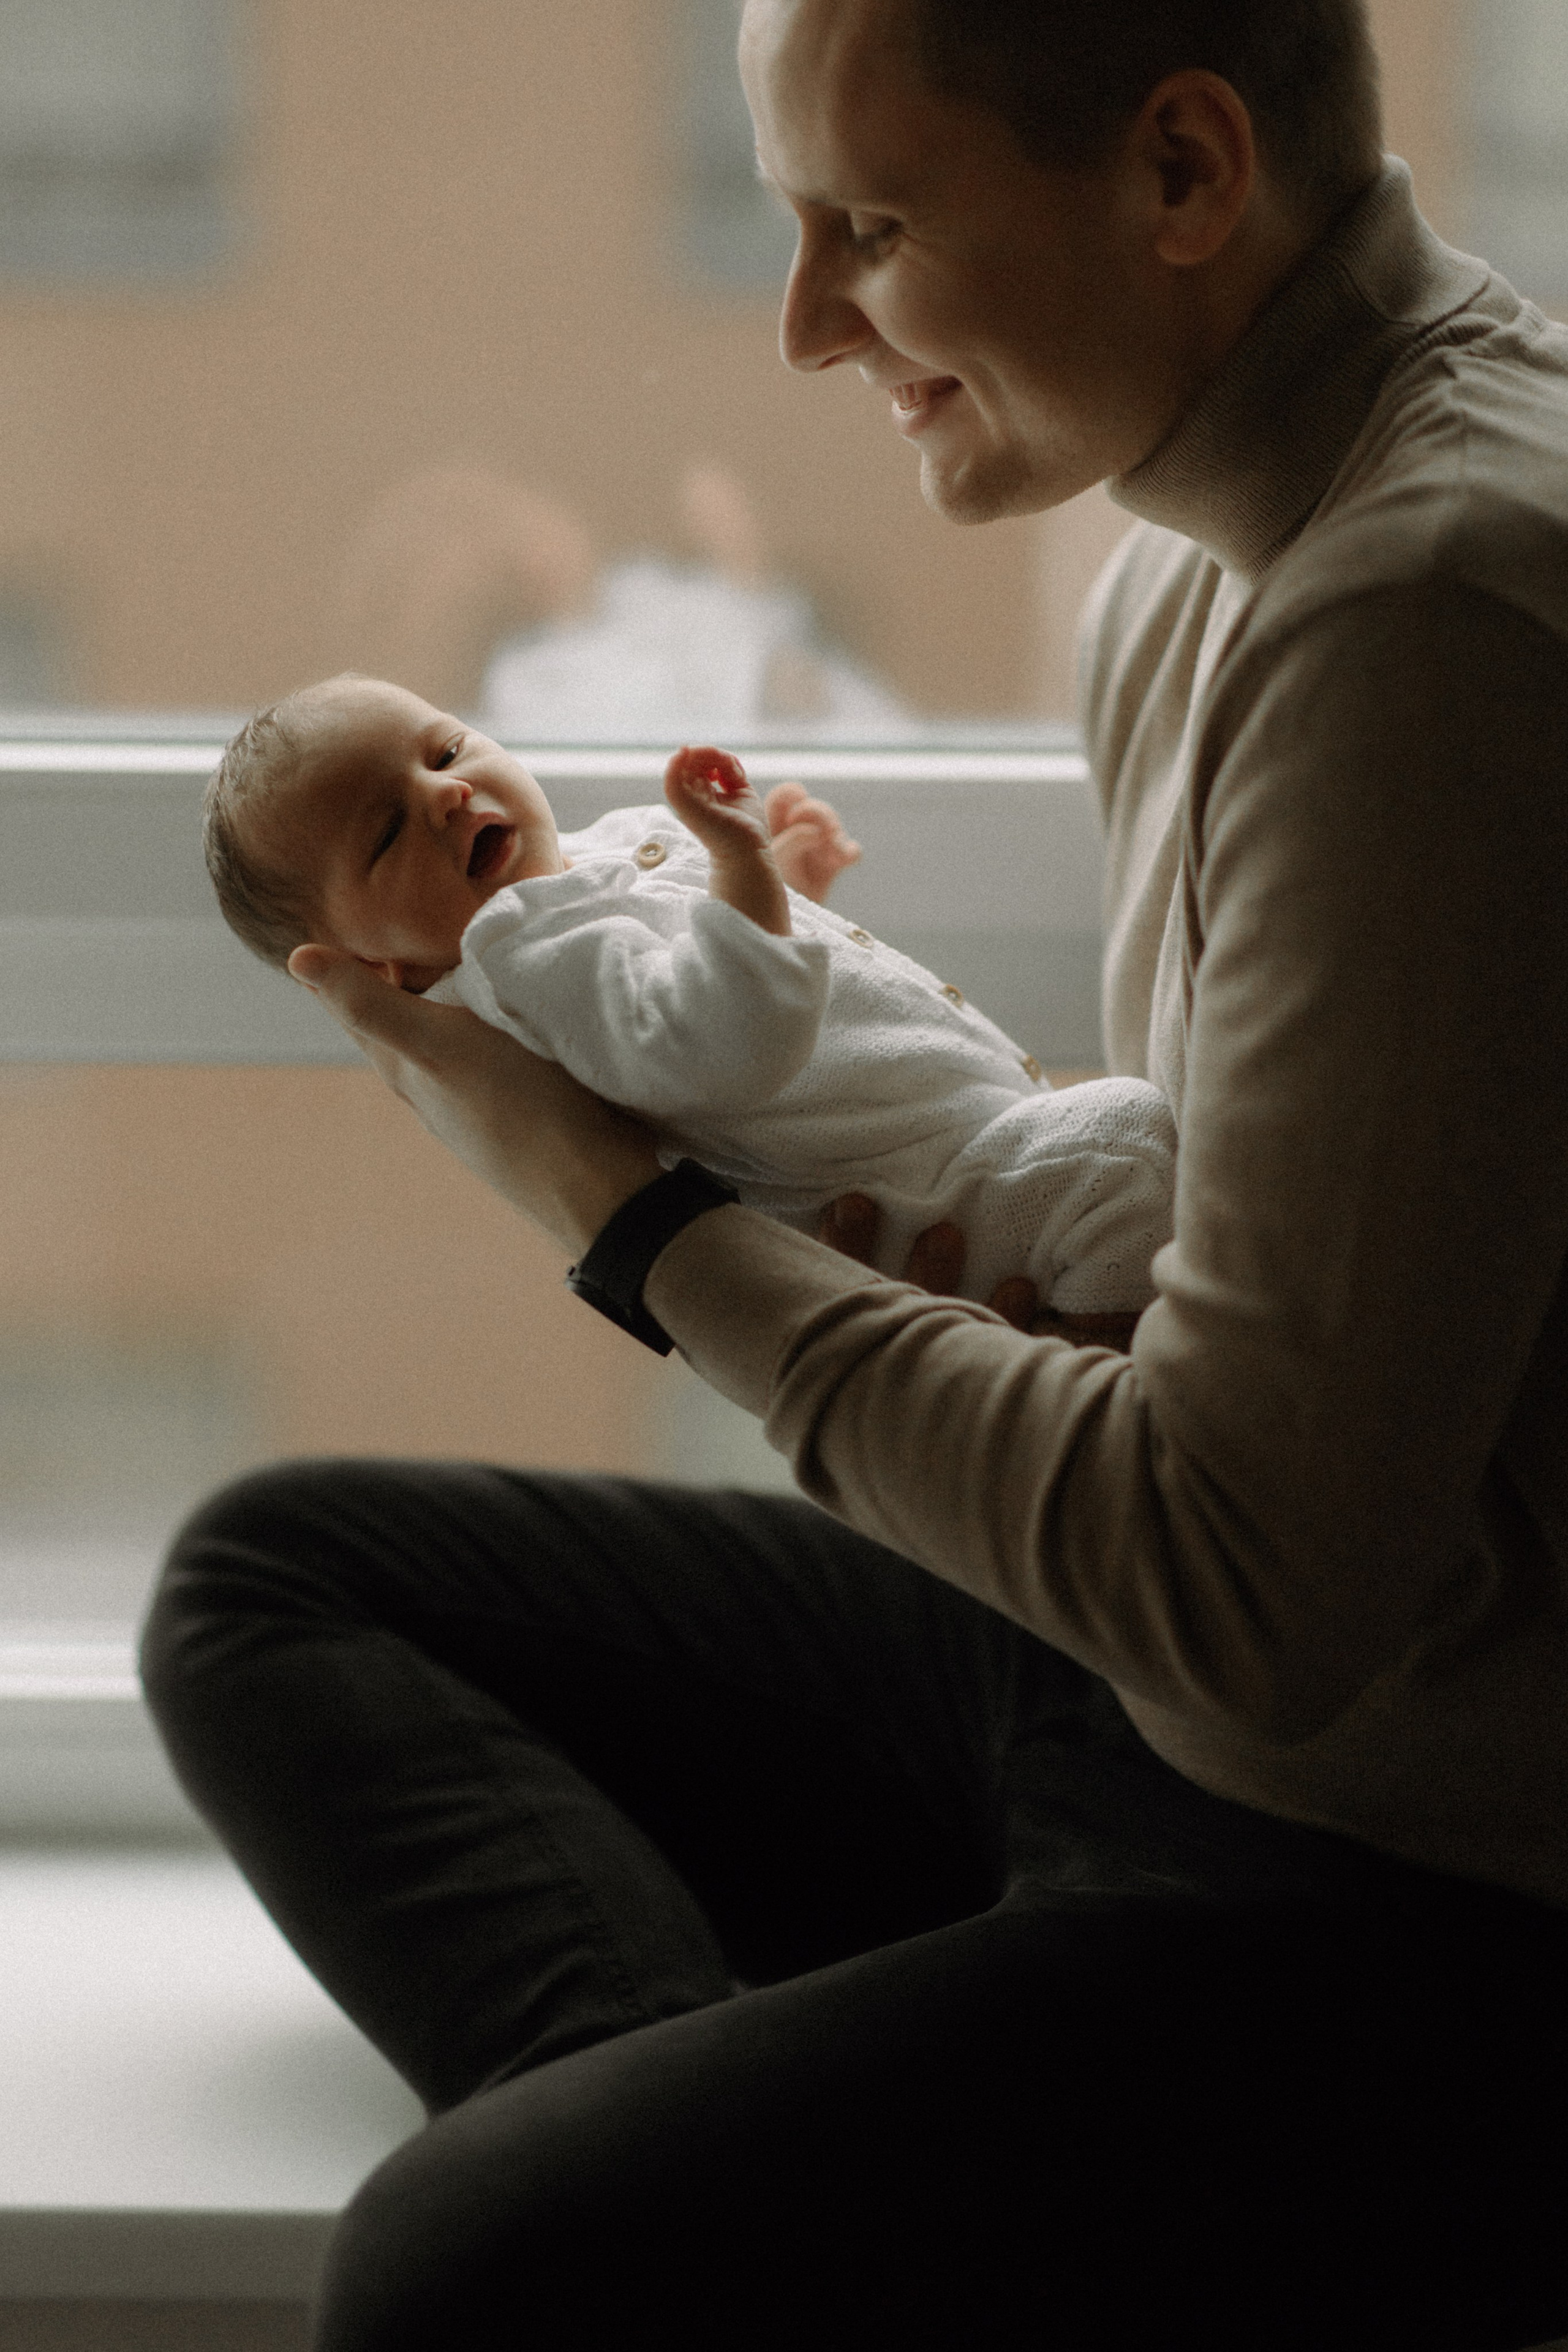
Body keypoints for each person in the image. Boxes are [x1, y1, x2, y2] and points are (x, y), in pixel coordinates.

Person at [141, 0, 1568, 2346]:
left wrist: (632, 1215)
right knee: (266, 1582)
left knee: (456, 2276)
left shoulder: (1422, 626)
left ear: (1189, 174)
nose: (807, 320)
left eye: (871, 229)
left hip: (1406, 1877)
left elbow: (1256, 1590)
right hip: (1148, 1691)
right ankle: (713, 2206)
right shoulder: (1198, 565)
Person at [203, 673, 1175, 1314]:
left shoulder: (576, 871)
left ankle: (1107, 1363)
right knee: (1126, 1146)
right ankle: (1123, 1379)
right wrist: (743, 863)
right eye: (386, 834)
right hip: (926, 1197)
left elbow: (693, 967)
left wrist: (779, 889)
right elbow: (720, 1040)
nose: (446, 794)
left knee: (1135, 1170)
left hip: (944, 1150)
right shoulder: (521, 957)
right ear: (382, 971)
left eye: (447, 751)